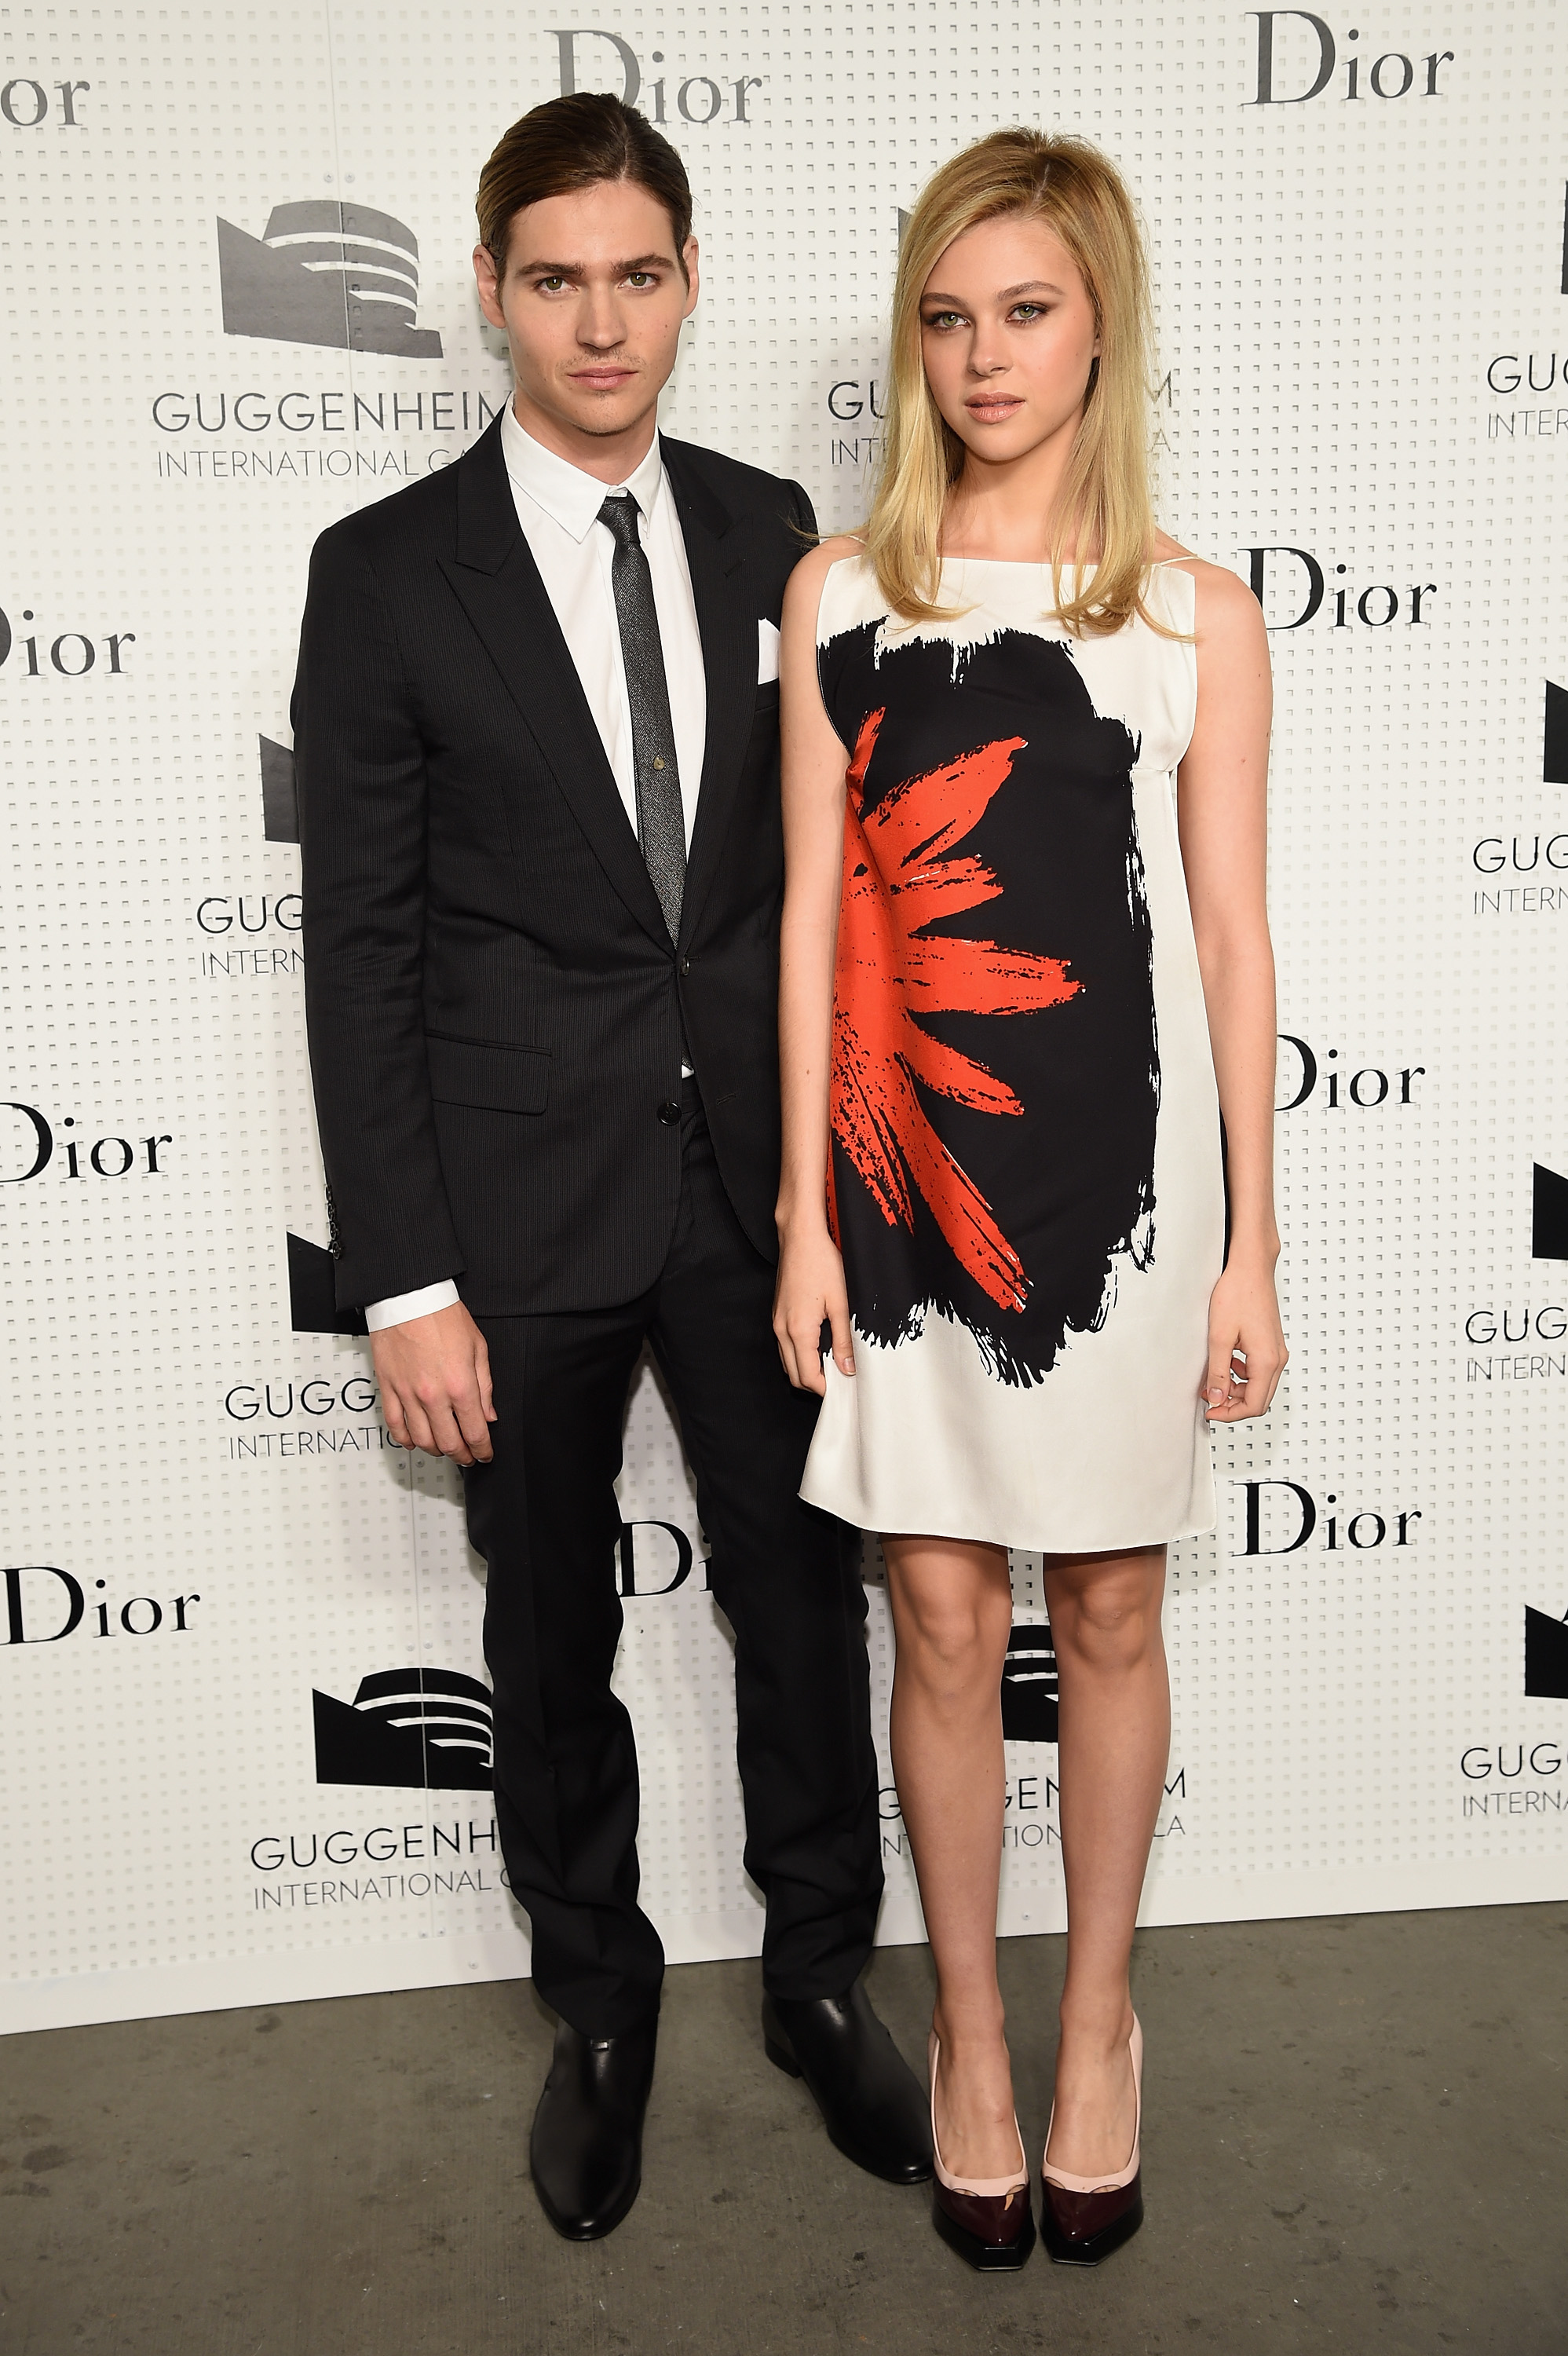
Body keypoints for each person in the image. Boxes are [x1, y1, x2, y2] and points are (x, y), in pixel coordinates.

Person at [294, 92, 931, 2244]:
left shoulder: (777, 536)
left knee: (801, 1603)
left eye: (636, 276)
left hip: (761, 1200)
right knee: (549, 1628)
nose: (598, 323)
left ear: (687, 283)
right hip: (516, 1210)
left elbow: (823, 896)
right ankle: (597, 2009)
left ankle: (823, 1978)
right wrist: (403, 1282)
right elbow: (362, 951)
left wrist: (851, 1192)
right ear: (489, 291)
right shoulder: (387, 576)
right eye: (555, 279)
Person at [773, 128, 1285, 2271]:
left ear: (1101, 328)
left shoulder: (1191, 612)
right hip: (900, 1187)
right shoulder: (836, 595)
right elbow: (814, 924)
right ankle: (973, 2040)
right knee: (938, 1613)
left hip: (1120, 1204)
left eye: (1028, 311)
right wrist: (806, 1218)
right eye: (948, 316)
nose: (983, 356)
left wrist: (1254, 1247)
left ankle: (1097, 2033)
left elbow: (1234, 941)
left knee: (1113, 1614)